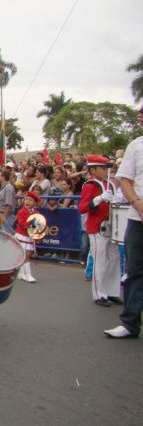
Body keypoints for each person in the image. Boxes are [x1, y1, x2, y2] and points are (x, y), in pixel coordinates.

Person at [104, 105, 143, 338]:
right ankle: (130, 323)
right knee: (134, 271)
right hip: (137, 219)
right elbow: (125, 180)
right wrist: (138, 204)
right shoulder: (136, 145)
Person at [78, 155, 121, 307]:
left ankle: (112, 291)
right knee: (100, 261)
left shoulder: (110, 184)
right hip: (97, 227)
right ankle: (99, 294)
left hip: (112, 227)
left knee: (114, 259)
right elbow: (82, 208)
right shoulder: (90, 186)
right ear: (93, 169)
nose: (106, 171)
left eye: (106, 168)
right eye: (103, 168)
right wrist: (99, 199)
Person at [14, 191, 40, 283]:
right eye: (26, 199)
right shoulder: (21, 211)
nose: (27, 202)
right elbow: (21, 224)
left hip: (30, 236)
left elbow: (40, 225)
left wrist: (39, 235)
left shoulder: (36, 213)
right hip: (22, 235)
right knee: (26, 255)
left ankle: (21, 274)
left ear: (35, 203)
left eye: (30, 200)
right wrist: (31, 223)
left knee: (25, 255)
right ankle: (28, 275)